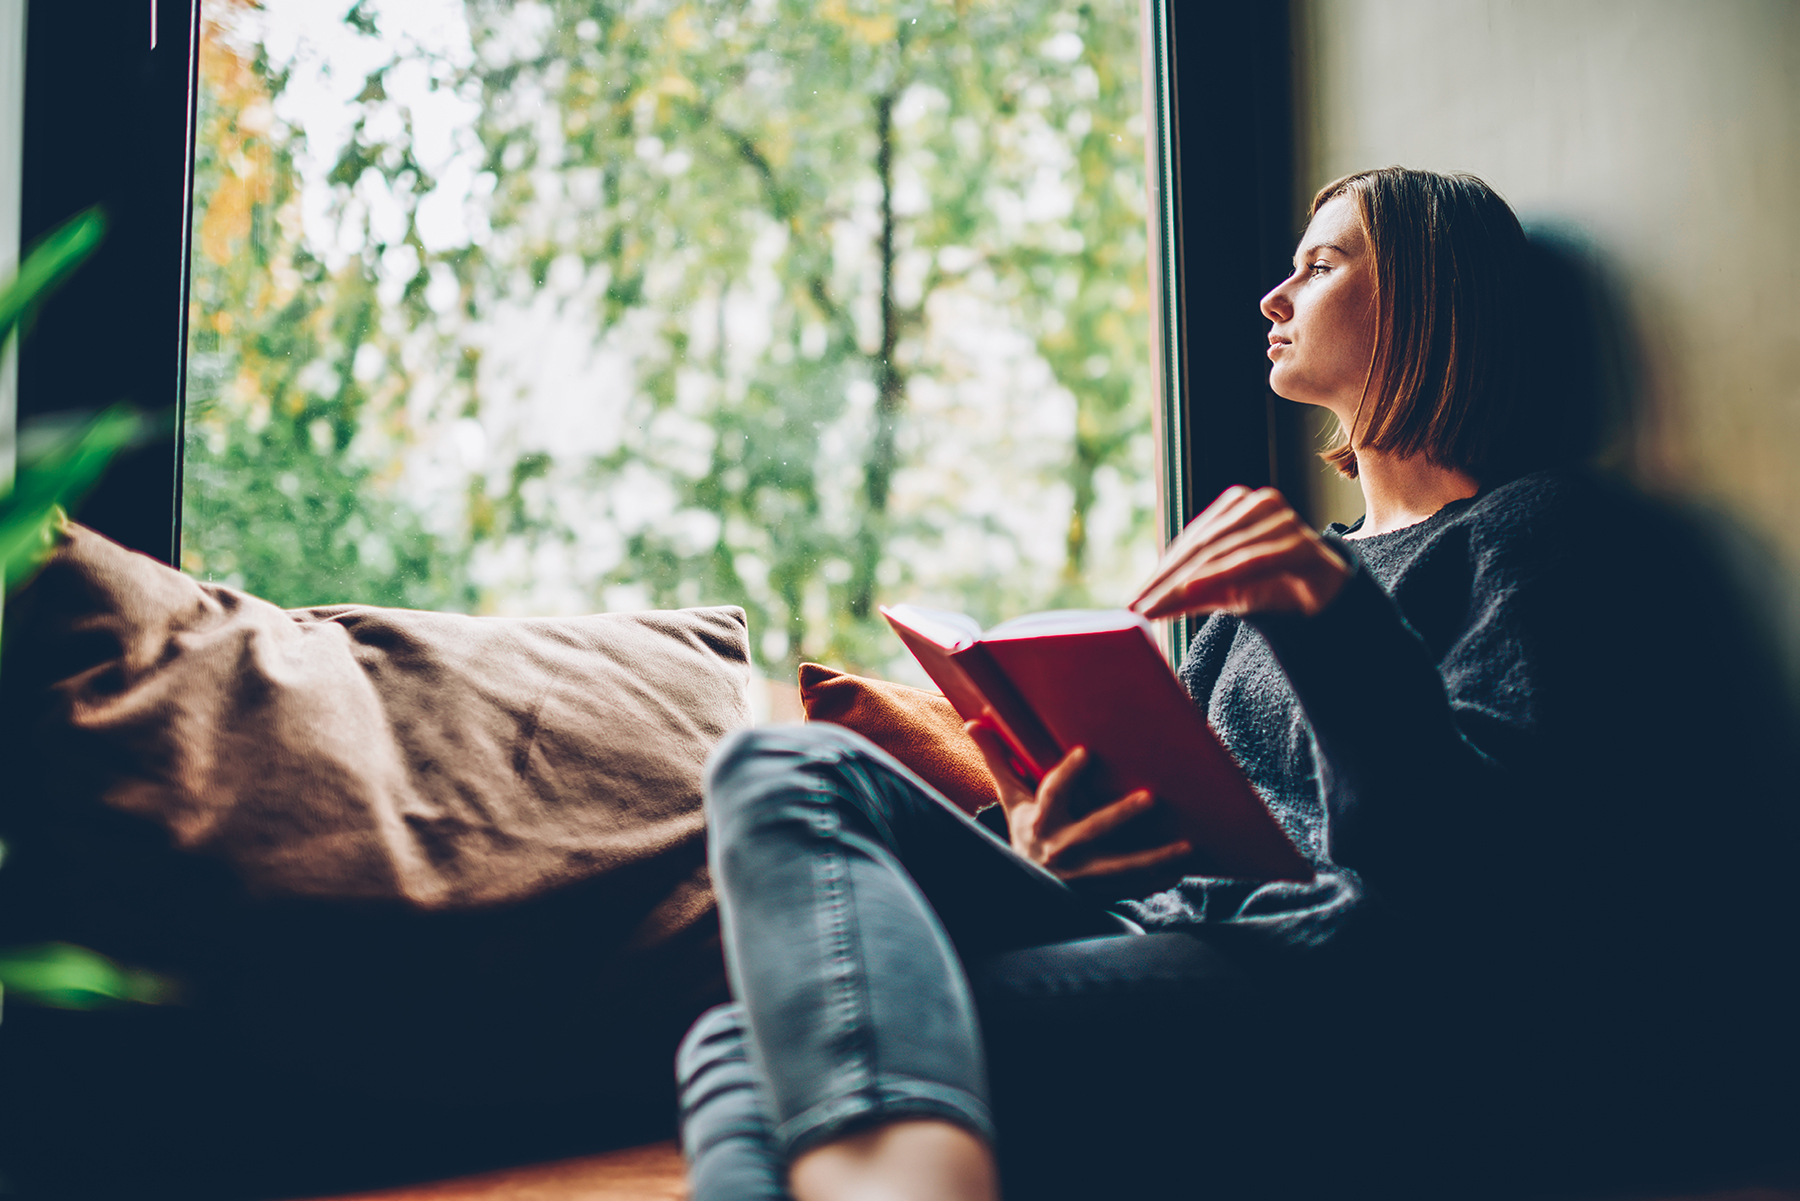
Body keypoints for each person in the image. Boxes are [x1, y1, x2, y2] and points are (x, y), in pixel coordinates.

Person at [673, 168, 1798, 1201]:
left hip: (1358, 997)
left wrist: (1335, 620)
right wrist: (1049, 840)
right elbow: (1193, 840)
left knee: (769, 1045)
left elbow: (1468, 881)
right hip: (1175, 934)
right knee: (782, 780)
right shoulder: (1264, 583)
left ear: (1425, 297)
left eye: (1321, 263)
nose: (1274, 295)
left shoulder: (1539, 534)